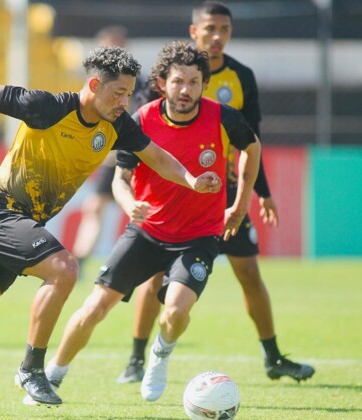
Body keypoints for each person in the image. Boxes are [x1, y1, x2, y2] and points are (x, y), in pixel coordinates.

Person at [0, 45, 221, 415]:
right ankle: (31, 369)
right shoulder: (49, 107)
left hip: (21, 222)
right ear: (93, 84)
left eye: (128, 93)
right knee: (64, 269)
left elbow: (155, 157)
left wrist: (190, 179)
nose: (125, 101)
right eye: (118, 92)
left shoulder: (117, 124)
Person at [43, 40, 260, 403]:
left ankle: (159, 355)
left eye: (194, 82)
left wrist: (239, 205)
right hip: (146, 232)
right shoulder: (140, 120)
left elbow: (252, 148)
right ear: (162, 83)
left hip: (198, 237)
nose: (185, 90)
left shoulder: (223, 118)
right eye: (178, 81)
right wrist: (130, 207)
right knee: (95, 306)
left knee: (175, 310)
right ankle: (52, 375)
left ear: (204, 84)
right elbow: (119, 180)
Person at [116, 1, 315, 384]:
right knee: (155, 277)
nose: (217, 36)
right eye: (210, 29)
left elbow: (251, 141)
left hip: (222, 195)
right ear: (195, 32)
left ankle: (273, 356)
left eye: (224, 29)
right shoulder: (165, 78)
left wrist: (260, 193)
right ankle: (136, 360)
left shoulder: (242, 76)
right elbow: (141, 135)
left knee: (250, 272)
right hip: (170, 194)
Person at [71, 25, 130, 275]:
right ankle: (81, 260)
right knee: (95, 207)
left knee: (131, 207)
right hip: (112, 155)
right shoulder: (95, 82)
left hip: (131, 153)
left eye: (116, 45)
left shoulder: (132, 81)